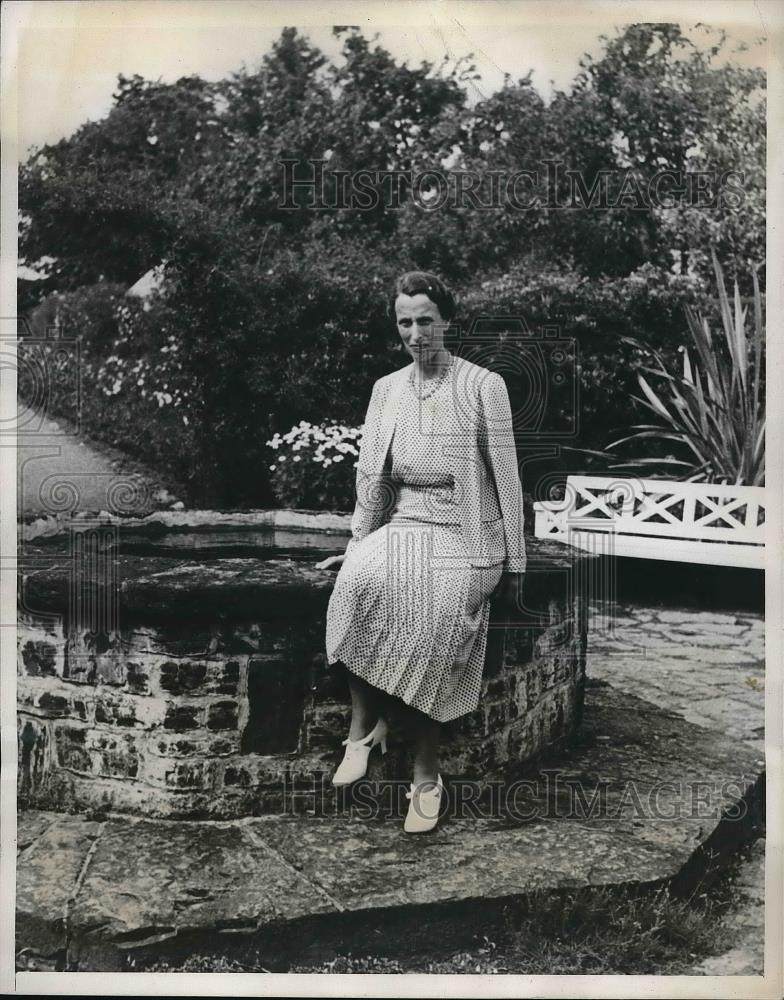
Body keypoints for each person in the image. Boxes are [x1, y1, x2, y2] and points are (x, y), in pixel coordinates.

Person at [315, 270, 526, 833]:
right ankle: (362, 732)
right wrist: (358, 543)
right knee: (357, 583)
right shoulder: (387, 389)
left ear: (447, 321)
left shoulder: (483, 386)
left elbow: (507, 479)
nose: (415, 333)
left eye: (425, 321)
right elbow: (372, 480)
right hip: (404, 524)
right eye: (404, 322)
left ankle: (427, 776)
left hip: (465, 534)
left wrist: (517, 559)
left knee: (435, 614)